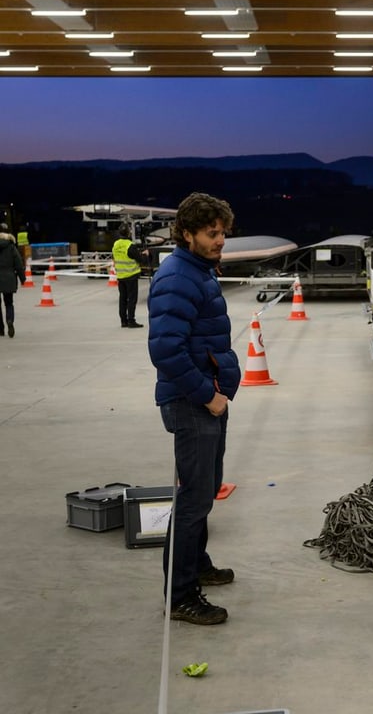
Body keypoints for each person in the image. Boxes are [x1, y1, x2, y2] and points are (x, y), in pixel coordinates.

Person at [148, 192, 240, 626]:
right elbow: (166, 351)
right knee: (193, 498)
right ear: (187, 234)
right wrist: (207, 395)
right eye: (211, 233)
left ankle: (197, 562)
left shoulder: (199, 270)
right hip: (192, 402)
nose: (220, 240)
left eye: (223, 232)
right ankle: (180, 596)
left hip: (207, 398)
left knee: (207, 488)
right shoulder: (178, 277)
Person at [112, 224, 145, 328]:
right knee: (132, 299)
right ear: (128, 232)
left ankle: (123, 321)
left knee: (122, 299)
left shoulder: (115, 244)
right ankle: (131, 321)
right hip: (131, 276)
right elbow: (140, 260)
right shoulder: (130, 245)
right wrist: (145, 254)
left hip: (121, 276)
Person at [0, 228, 26, 338]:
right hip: (9, 277)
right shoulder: (11, 247)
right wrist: (22, 278)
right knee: (9, 303)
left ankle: (0, 329)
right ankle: (9, 320)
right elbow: (19, 264)